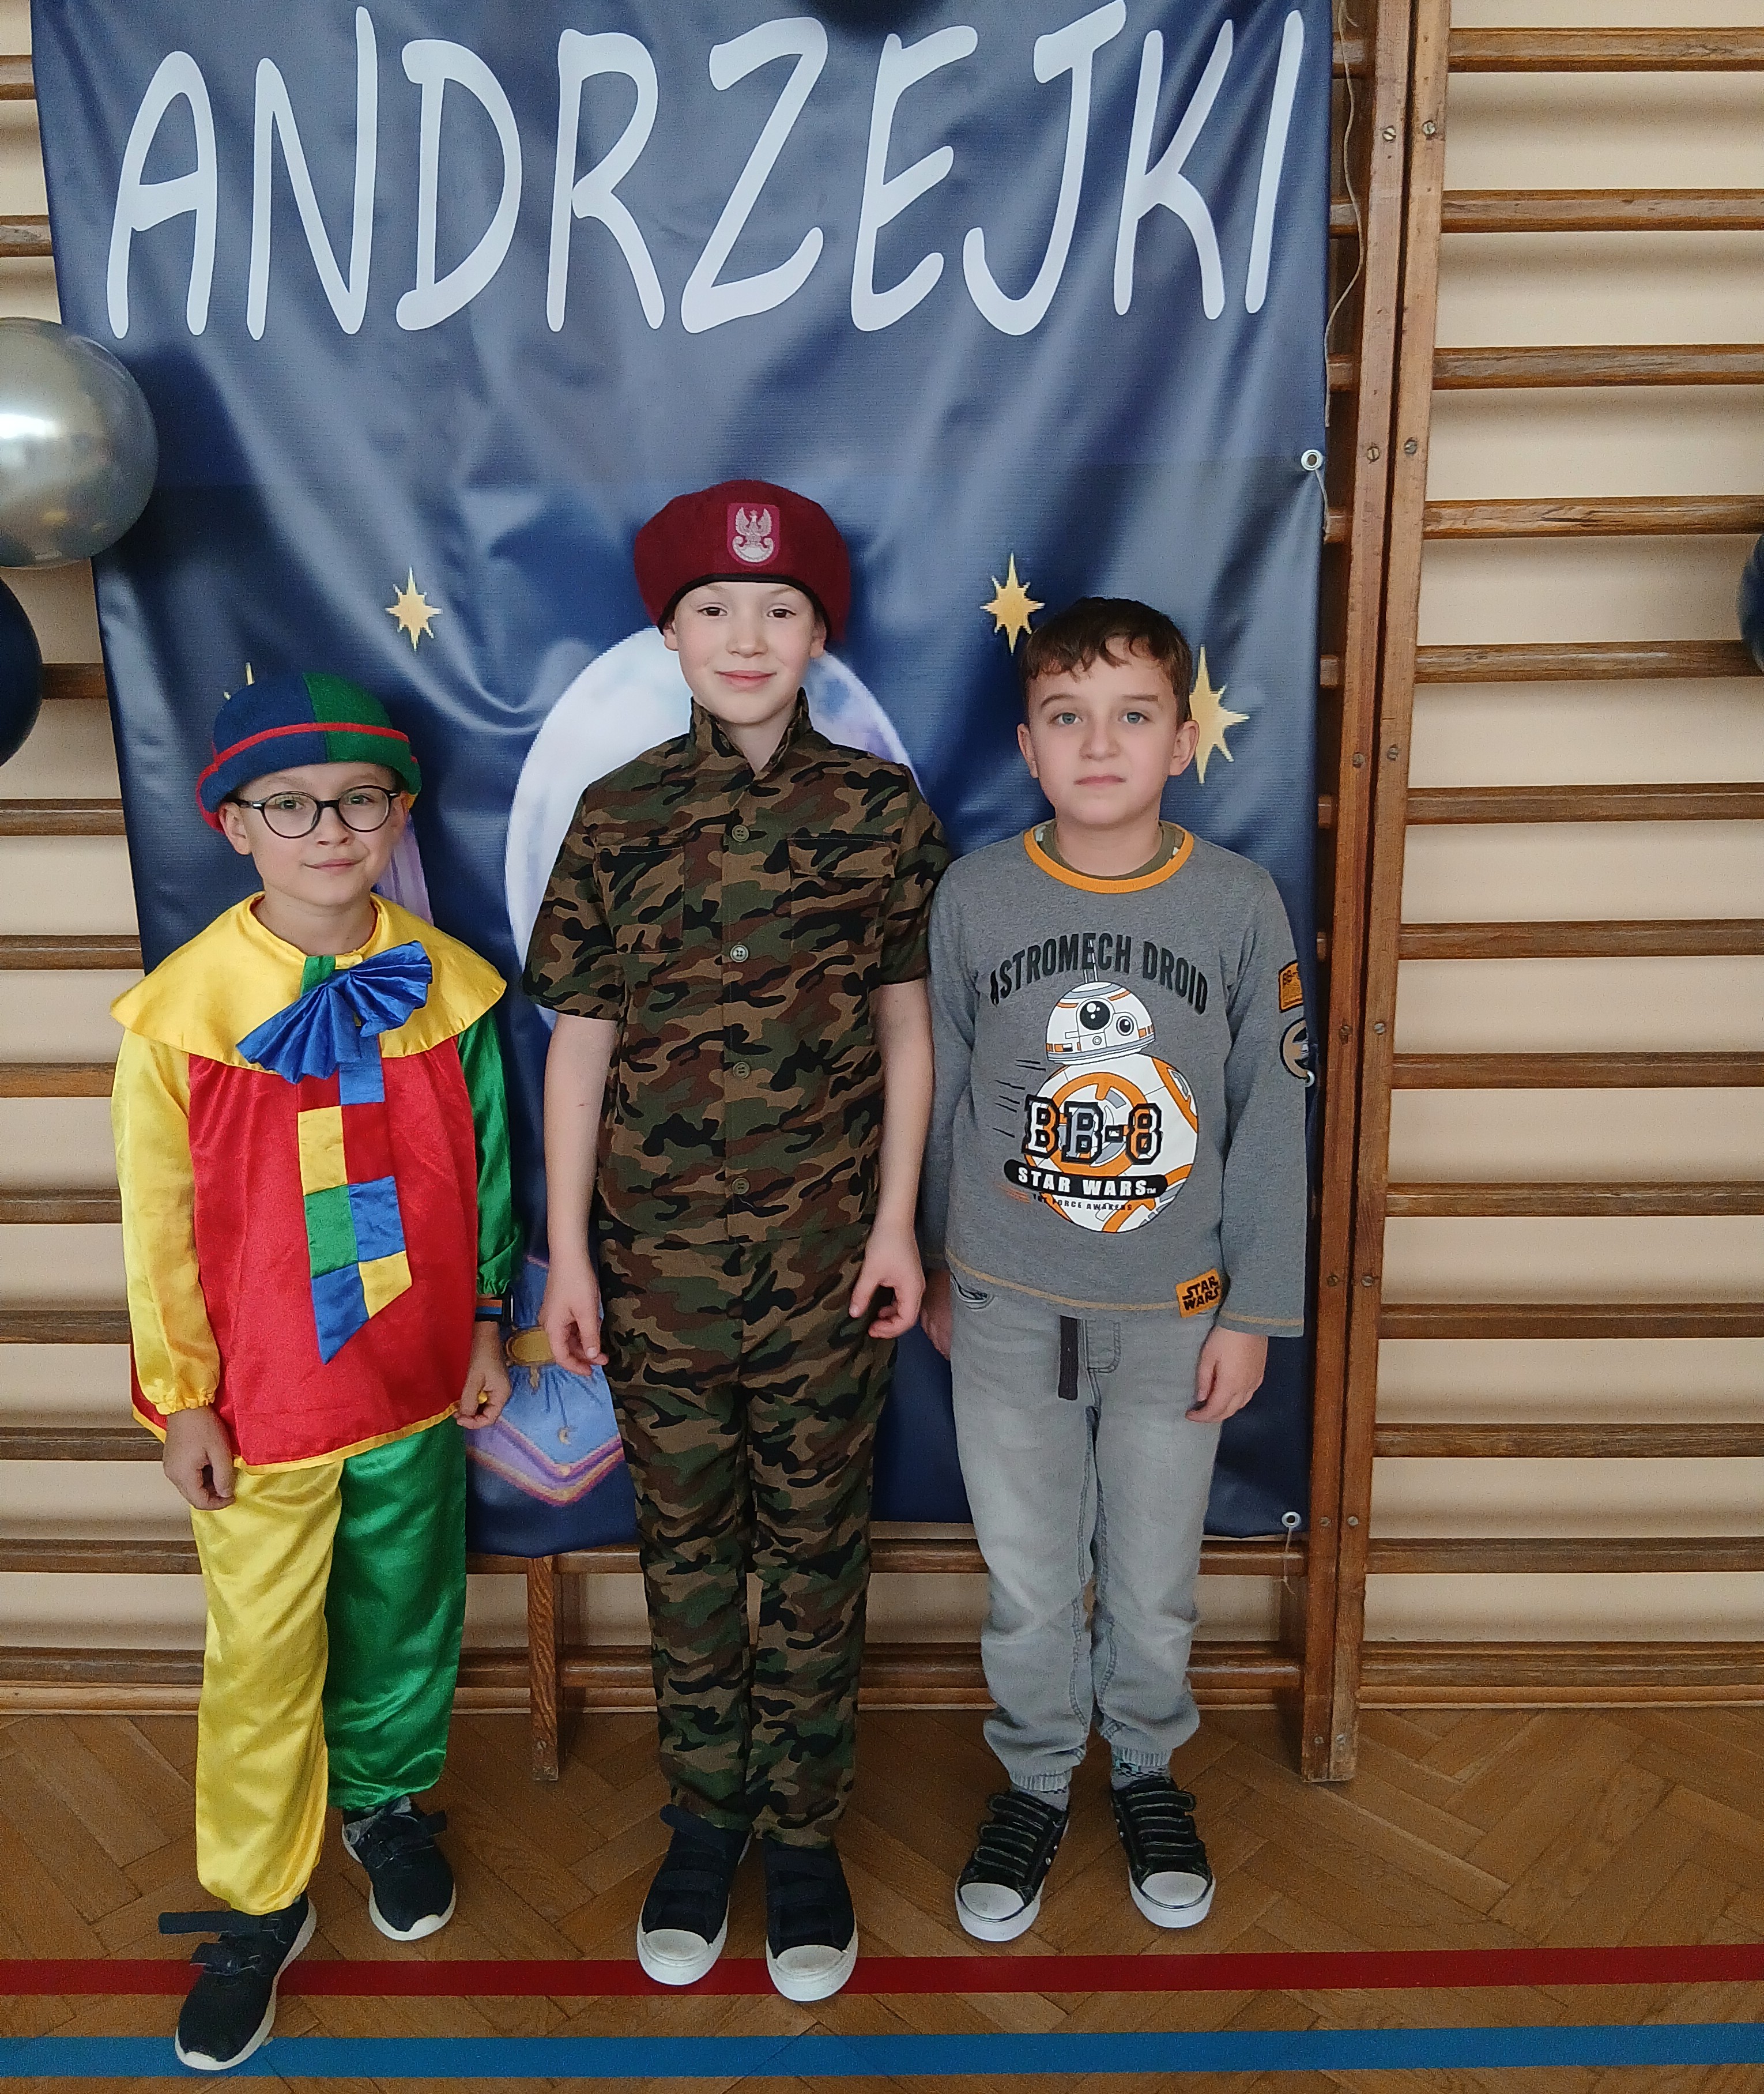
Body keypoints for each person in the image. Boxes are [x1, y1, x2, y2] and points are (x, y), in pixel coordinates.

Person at [524, 480, 947, 2002]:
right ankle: (706, 1823)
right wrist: (571, 1257)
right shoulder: (618, 814)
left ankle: (807, 1836)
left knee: (818, 1556)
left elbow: (908, 1031)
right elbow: (579, 1045)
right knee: (688, 1557)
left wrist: (897, 1228)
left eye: (779, 608)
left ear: (821, 634)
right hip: (656, 1272)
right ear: (671, 634)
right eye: (713, 608)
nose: (746, 635)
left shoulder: (881, 816)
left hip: (832, 1264)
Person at [111, 672, 518, 2072]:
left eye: (357, 801)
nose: (328, 830)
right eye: (289, 805)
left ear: (399, 814)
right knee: (264, 1653)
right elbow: (160, 1226)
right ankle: (259, 1900)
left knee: (406, 1610)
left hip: (415, 1378)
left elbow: (491, 1173)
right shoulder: (181, 1017)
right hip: (268, 1400)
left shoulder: (452, 989)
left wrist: (484, 1325)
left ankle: (386, 1801)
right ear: (235, 826)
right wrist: (183, 1398)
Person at [919, 597, 1307, 1942]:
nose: (1100, 744)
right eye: (1067, 717)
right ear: (1027, 745)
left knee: (1150, 1578)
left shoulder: (1237, 901)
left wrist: (1256, 1309)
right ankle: (1035, 1777)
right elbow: (942, 1093)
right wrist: (938, 1264)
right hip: (1005, 1303)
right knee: (1030, 1577)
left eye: (1134, 715)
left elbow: (1272, 1115)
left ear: (1181, 739)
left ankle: (1143, 1766)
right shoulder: (975, 894)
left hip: (1176, 1317)